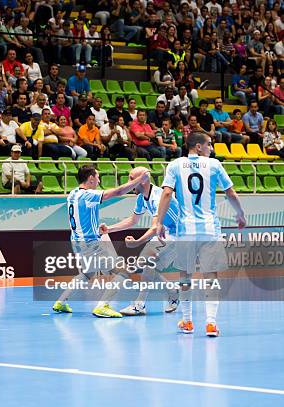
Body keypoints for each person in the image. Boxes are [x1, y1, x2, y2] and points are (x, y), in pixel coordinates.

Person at [156, 132, 246, 337]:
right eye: (209, 145)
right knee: (210, 276)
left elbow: (167, 193)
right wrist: (240, 214)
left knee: (185, 275)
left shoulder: (175, 165)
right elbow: (230, 193)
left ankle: (187, 322)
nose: (211, 148)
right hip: (209, 229)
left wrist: (159, 222)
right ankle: (211, 324)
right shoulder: (214, 165)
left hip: (185, 230)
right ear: (198, 146)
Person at [52, 165, 151, 316]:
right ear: (91, 178)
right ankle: (102, 306)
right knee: (122, 271)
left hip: (76, 241)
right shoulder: (88, 195)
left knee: (87, 273)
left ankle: (61, 302)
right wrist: (139, 180)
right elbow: (118, 192)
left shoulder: (73, 194)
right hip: (90, 243)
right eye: (97, 177)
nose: (99, 180)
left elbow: (82, 216)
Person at [100, 167, 180, 316]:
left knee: (146, 262)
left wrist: (137, 242)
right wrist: (109, 230)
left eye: (131, 179)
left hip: (179, 234)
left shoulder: (158, 197)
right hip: (164, 233)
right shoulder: (141, 198)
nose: (129, 183)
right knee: (148, 265)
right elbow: (132, 220)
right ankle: (172, 290)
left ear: (142, 181)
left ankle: (140, 304)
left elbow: (155, 226)